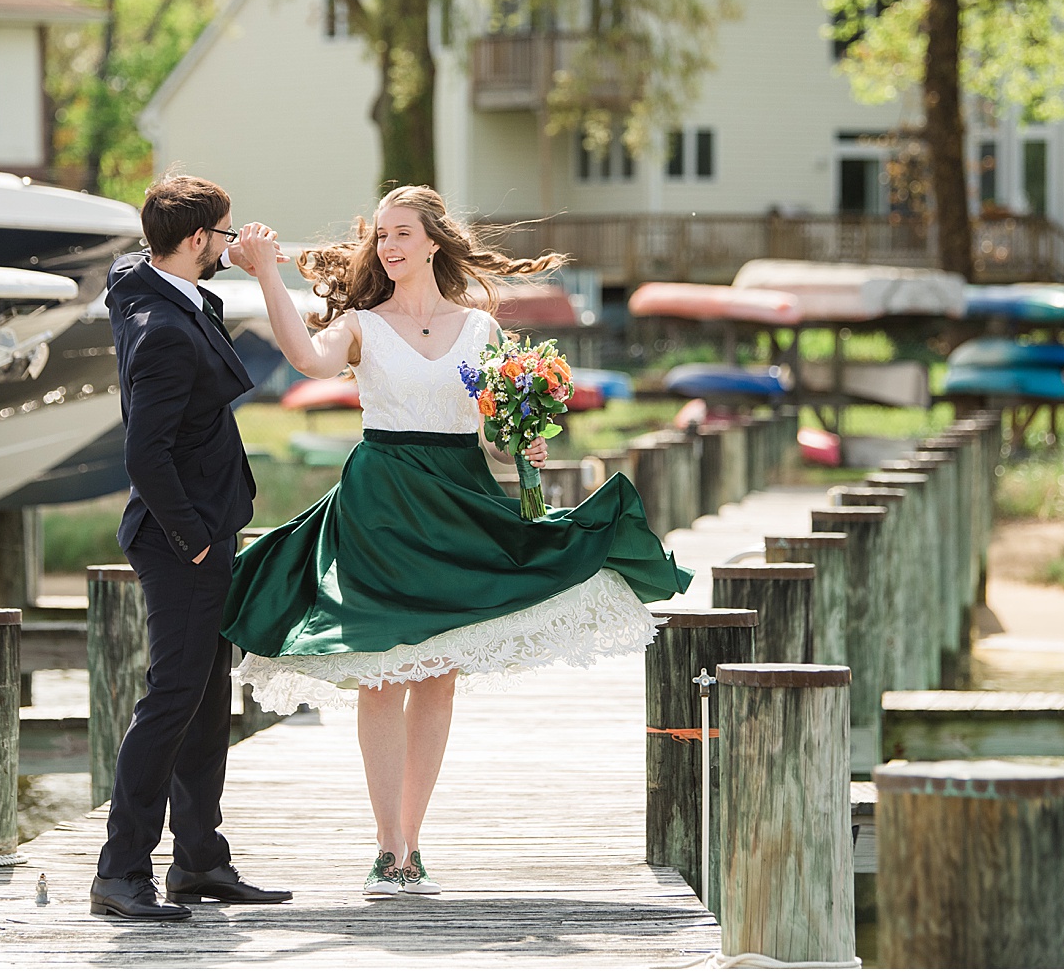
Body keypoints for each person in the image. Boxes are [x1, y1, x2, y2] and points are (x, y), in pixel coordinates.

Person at [225, 186, 691, 898]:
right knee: (381, 675)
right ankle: (387, 850)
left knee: (436, 677)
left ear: (434, 241)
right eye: (380, 235)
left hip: (459, 496)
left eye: (402, 233)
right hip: (382, 503)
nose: (388, 246)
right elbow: (307, 359)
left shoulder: (479, 330)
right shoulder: (359, 324)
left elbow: (496, 432)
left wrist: (522, 446)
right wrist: (265, 273)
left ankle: (414, 842)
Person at [89, 175, 292, 921]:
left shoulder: (143, 286)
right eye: (224, 233)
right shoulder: (163, 329)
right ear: (199, 240)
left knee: (207, 704)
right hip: (183, 540)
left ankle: (199, 861)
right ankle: (120, 872)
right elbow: (146, 455)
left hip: (203, 530)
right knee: (171, 701)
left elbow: (128, 268)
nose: (231, 244)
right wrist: (198, 542)